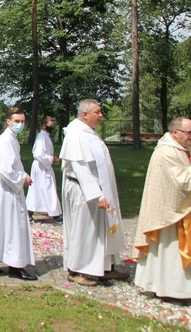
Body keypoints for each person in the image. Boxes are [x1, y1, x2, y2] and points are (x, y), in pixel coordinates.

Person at [59, 99, 127, 287]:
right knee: (85, 230)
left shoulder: (88, 132)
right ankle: (77, 270)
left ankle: (104, 266)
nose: (101, 115)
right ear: (85, 114)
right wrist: (96, 194)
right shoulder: (75, 135)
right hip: (84, 191)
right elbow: (81, 168)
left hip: (99, 190)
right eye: (97, 112)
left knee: (102, 229)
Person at [133, 117, 191, 305]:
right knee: (169, 251)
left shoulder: (180, 149)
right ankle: (170, 288)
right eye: (188, 133)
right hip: (169, 215)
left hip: (177, 210)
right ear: (175, 133)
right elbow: (181, 182)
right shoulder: (167, 152)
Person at [0, 107, 38, 281]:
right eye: (17, 121)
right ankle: (16, 266)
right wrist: (22, 178)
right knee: (14, 226)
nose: (20, 124)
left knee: (1, 224)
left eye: (23, 121)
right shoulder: (5, 140)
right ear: (8, 121)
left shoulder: (11, 139)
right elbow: (3, 169)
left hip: (8, 189)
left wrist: (22, 174)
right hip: (9, 189)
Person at [26, 116, 62, 223]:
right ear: (44, 125)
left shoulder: (46, 136)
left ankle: (29, 212)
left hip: (43, 166)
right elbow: (38, 153)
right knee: (47, 188)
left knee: (40, 188)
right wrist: (52, 159)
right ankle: (56, 215)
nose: (52, 128)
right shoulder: (41, 137)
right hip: (41, 166)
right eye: (50, 126)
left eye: (53, 126)